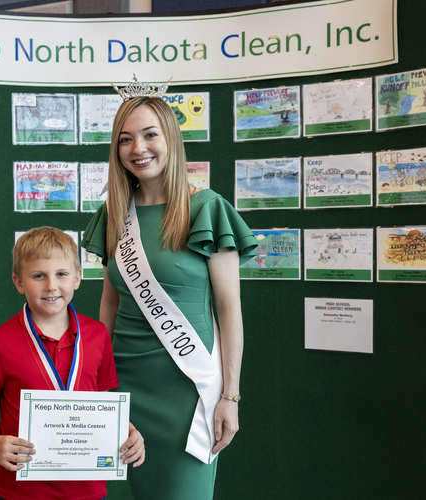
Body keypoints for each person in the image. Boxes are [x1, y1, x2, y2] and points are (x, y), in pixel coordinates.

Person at [82, 84, 257, 499]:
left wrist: (230, 396)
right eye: (125, 139)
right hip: (124, 384)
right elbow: (110, 300)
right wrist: (98, 382)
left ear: (171, 139)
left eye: (149, 135)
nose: (138, 148)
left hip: (188, 390)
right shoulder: (113, 213)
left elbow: (229, 308)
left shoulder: (206, 208)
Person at [0, 226, 145, 500]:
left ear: (78, 277)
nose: (51, 286)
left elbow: (103, 403)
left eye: (61, 274)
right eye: (38, 275)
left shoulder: (97, 335)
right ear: (19, 282)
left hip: (89, 490)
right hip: (21, 492)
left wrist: (127, 431)